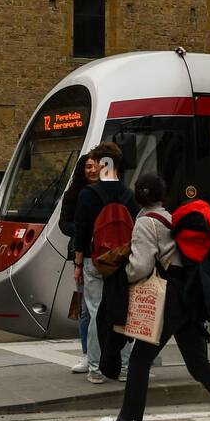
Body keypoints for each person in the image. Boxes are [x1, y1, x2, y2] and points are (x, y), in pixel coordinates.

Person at [87, 172, 210, 421]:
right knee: (198, 365)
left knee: (140, 359)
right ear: (163, 194)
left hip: (167, 299)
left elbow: (141, 267)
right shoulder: (171, 217)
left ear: (137, 196)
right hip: (189, 297)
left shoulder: (145, 222)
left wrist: (121, 273)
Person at [72, 141, 134, 384]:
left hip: (94, 260)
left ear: (101, 164)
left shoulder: (89, 194)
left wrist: (78, 263)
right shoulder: (128, 194)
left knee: (96, 313)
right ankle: (125, 368)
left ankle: (96, 370)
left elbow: (81, 230)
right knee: (122, 313)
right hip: (122, 262)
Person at [59, 154, 100, 373]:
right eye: (88, 167)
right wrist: (82, 229)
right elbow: (63, 224)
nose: (92, 171)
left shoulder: (107, 192)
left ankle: (102, 354)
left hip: (106, 253)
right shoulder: (73, 194)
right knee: (85, 308)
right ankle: (87, 354)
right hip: (81, 254)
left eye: (96, 166)